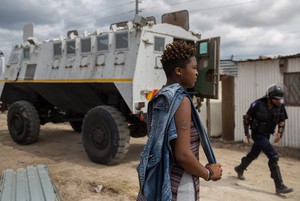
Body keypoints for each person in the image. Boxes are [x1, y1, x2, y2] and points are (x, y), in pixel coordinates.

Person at [136, 41, 222, 201]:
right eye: (194, 68)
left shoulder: (160, 96)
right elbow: (182, 154)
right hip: (180, 183)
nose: (197, 73)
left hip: (162, 178)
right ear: (179, 71)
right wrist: (209, 173)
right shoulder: (181, 100)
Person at [234, 84, 294, 195]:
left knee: (254, 154)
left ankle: (240, 168)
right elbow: (247, 118)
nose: (278, 101)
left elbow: (282, 120)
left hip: (267, 135)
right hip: (257, 134)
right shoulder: (257, 104)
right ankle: (279, 186)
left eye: (279, 99)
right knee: (273, 155)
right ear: (270, 96)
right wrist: (247, 132)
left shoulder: (280, 107)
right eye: (276, 99)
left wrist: (280, 133)